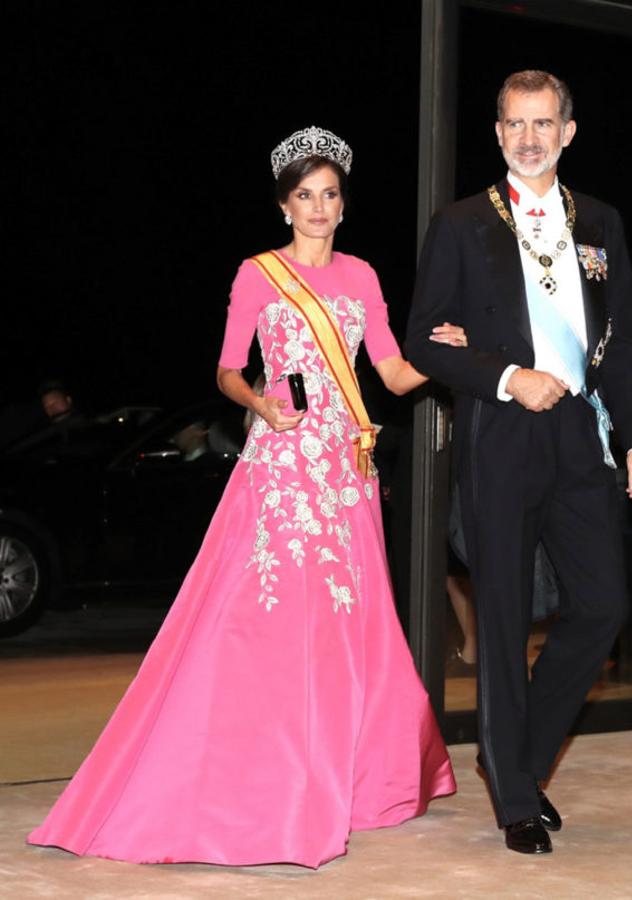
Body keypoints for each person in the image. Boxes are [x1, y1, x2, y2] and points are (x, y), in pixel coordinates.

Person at [28, 126, 462, 868]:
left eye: (329, 195)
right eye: (305, 196)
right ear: (283, 204)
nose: (318, 208)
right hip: (281, 464)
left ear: (343, 203)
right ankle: (265, 775)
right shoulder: (258, 274)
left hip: (343, 470)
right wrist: (259, 405)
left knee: (351, 624)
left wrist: (445, 355)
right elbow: (229, 372)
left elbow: (389, 376)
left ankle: (357, 775)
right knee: (265, 623)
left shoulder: (361, 276)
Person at [405, 71, 632, 854]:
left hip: (583, 436)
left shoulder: (603, 224)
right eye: (515, 124)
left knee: (602, 607)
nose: (529, 137)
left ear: (568, 132)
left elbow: (620, 342)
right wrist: (509, 377)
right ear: (498, 132)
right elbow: (421, 341)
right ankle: (516, 796)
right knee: (506, 615)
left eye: (543, 123)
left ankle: (513, 756)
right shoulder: (460, 224)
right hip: (503, 436)